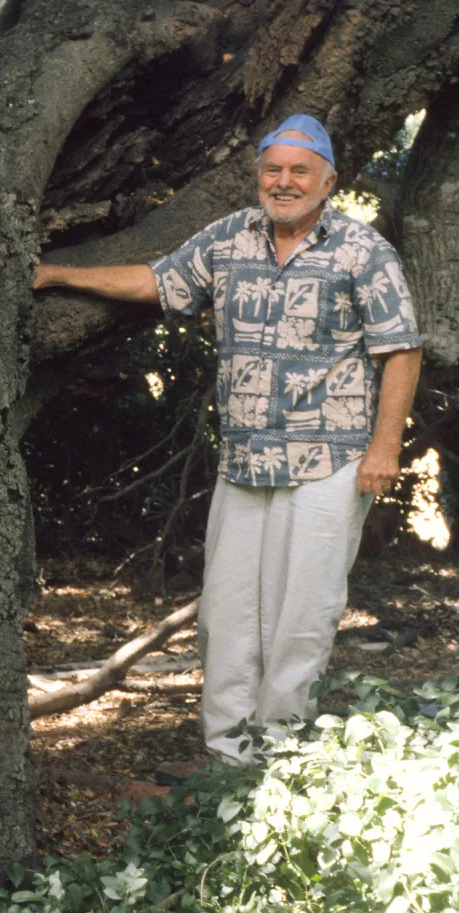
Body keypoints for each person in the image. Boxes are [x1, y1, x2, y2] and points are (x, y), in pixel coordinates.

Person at [33, 114, 423, 767]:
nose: (284, 181)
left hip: (329, 459)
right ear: (259, 176)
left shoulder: (362, 251)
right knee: (226, 619)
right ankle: (229, 763)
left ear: (328, 181)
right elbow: (156, 280)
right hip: (246, 459)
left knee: (301, 617)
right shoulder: (230, 239)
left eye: (300, 170)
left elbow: (401, 351)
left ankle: (280, 761)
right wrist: (55, 275)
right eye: (274, 169)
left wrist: (385, 449)